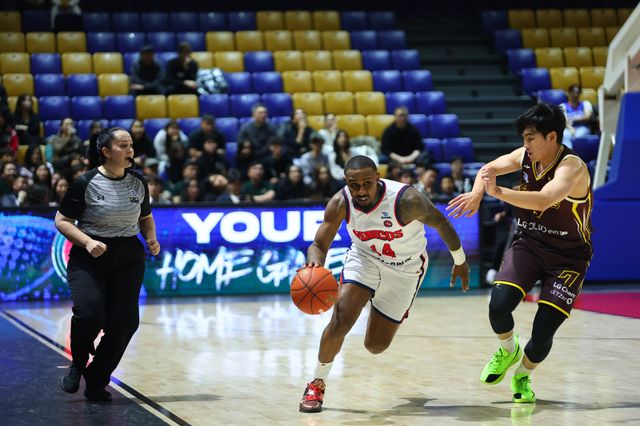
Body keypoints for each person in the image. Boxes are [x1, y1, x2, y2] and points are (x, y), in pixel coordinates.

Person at [299, 155, 470, 413]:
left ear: (378, 178)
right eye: (354, 185)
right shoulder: (340, 202)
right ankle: (317, 383)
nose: (361, 191)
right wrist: (314, 264)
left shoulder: (407, 200)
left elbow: (441, 221)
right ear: (346, 182)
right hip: (364, 258)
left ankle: (374, 300)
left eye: (367, 183)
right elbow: (318, 245)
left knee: (375, 345)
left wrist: (460, 260)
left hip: (405, 268)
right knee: (341, 320)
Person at [447, 102, 593, 404]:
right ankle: (508, 349)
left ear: (551, 137)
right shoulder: (525, 156)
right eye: (524, 138)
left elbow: (543, 200)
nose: (525, 145)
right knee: (498, 306)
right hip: (530, 243)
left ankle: (523, 375)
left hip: (568, 258)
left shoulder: (572, 167)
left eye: (530, 138)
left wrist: (497, 192)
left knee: (543, 332)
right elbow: (488, 170)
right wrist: (477, 192)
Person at [55, 127, 160, 402]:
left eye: (131, 145)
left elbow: (145, 217)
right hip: (90, 255)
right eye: (123, 145)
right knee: (90, 314)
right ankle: (78, 363)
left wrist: (151, 237)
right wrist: (87, 241)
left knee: (125, 322)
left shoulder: (138, 182)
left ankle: (97, 379)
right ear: (105, 151)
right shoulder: (85, 182)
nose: (130, 150)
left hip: (128, 256)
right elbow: (62, 221)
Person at [561, 84, 593, 148]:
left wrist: (571, 119)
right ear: (568, 93)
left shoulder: (586, 103)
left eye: (578, 92)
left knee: (577, 136)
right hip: (568, 128)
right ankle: (568, 154)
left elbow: (587, 116)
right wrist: (570, 128)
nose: (575, 95)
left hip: (583, 127)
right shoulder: (562, 106)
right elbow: (564, 120)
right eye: (573, 92)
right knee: (565, 135)